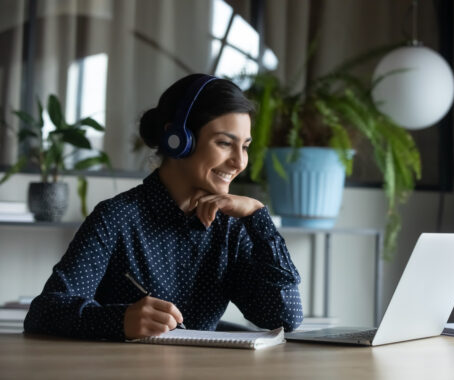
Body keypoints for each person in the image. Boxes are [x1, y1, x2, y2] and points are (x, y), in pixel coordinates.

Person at [24, 74, 303, 340]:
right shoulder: (116, 218)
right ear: (178, 139)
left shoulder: (231, 227)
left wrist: (257, 215)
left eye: (245, 147)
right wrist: (120, 320)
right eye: (224, 143)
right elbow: (44, 313)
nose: (239, 162)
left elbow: (285, 317)